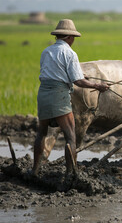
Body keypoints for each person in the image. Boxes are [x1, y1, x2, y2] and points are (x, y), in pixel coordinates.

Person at [32, 19, 109, 176]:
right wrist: (97, 86)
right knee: (70, 136)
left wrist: (81, 75)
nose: (73, 41)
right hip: (59, 95)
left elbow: (54, 72)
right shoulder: (69, 53)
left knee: (42, 132)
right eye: (73, 38)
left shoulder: (46, 51)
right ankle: (70, 172)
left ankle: (35, 170)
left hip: (43, 94)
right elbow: (78, 81)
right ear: (69, 37)